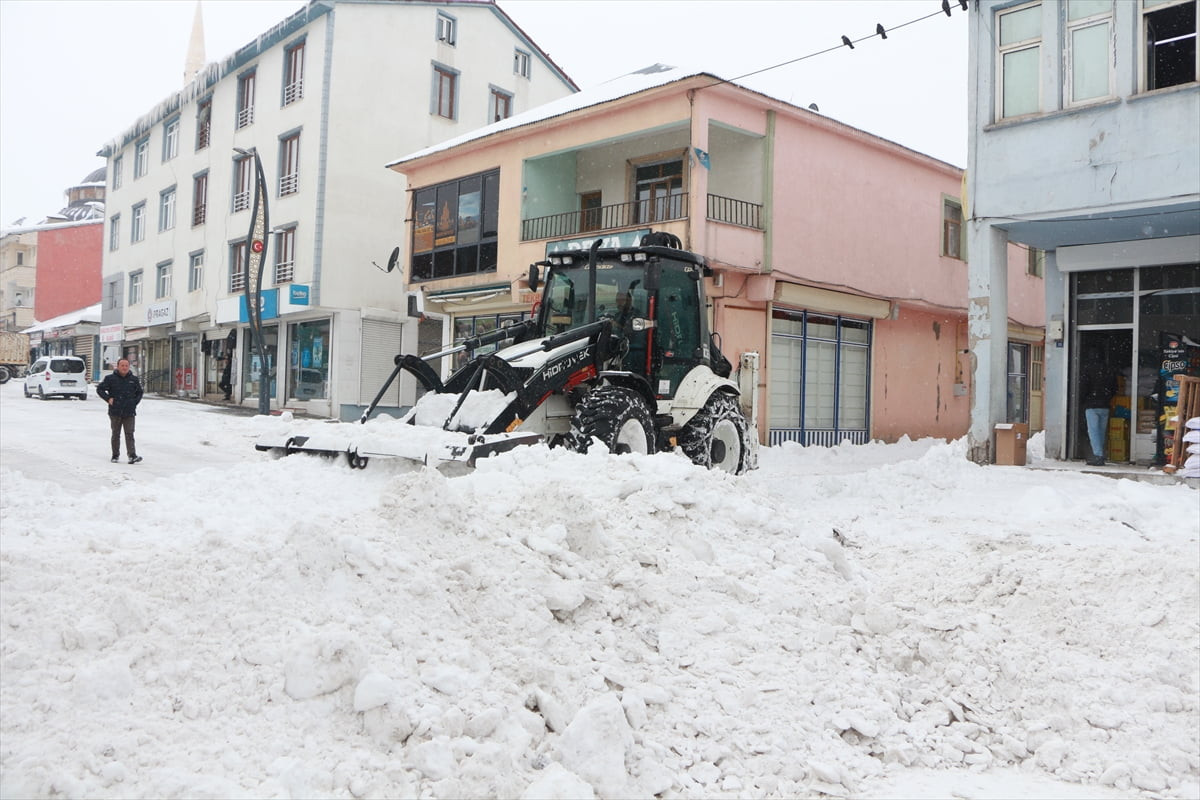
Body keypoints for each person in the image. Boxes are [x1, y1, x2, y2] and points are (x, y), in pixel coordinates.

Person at [96, 358, 144, 464]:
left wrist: (134, 402)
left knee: (129, 433)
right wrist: (108, 399)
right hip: (115, 411)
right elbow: (100, 389)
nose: (124, 367)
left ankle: (132, 455)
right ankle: (115, 455)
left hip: (129, 411)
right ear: (117, 366)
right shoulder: (110, 378)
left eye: (126, 365)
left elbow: (140, 392)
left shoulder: (134, 379)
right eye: (122, 365)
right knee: (116, 434)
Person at [1079, 346, 1117, 466]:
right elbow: (1114, 387)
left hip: (1091, 405)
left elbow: (1083, 387)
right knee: (1101, 431)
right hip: (1105, 405)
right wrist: (1107, 397)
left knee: (1093, 431)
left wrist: (1083, 400)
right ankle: (1101, 454)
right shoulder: (1108, 369)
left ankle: (1098, 456)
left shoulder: (1087, 369)